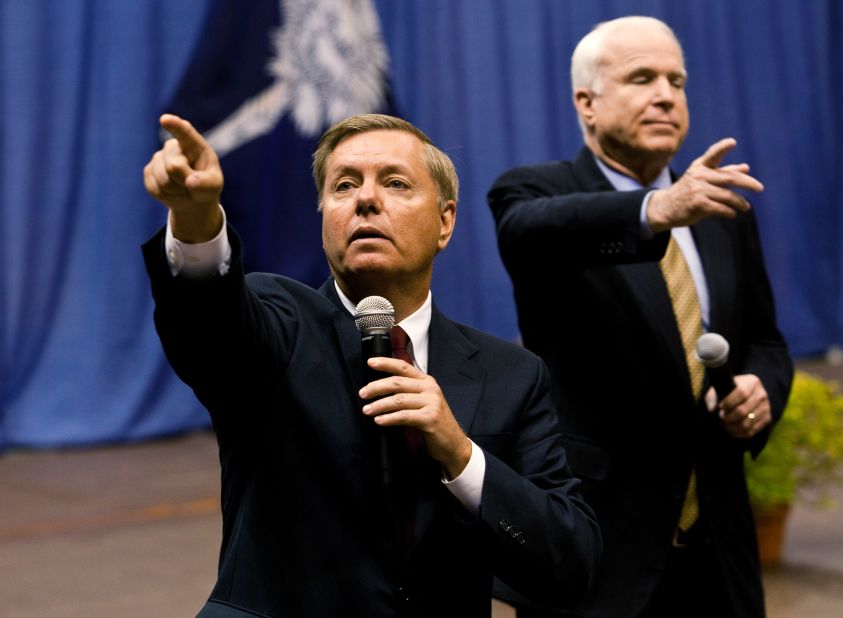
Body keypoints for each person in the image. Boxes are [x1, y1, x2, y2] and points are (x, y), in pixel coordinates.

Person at [142, 112, 601, 617]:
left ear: (445, 222)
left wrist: (460, 453)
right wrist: (196, 221)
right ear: (323, 221)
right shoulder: (276, 324)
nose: (365, 199)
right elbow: (207, 321)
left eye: (396, 183)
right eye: (343, 186)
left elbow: (570, 562)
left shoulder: (511, 375)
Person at [487, 15, 793, 618]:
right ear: (587, 103)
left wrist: (762, 389)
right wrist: (655, 209)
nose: (665, 95)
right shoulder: (532, 192)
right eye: (642, 78)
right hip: (601, 549)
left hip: (718, 553)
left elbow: (764, 339)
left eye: (677, 81)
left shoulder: (719, 207)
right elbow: (528, 232)